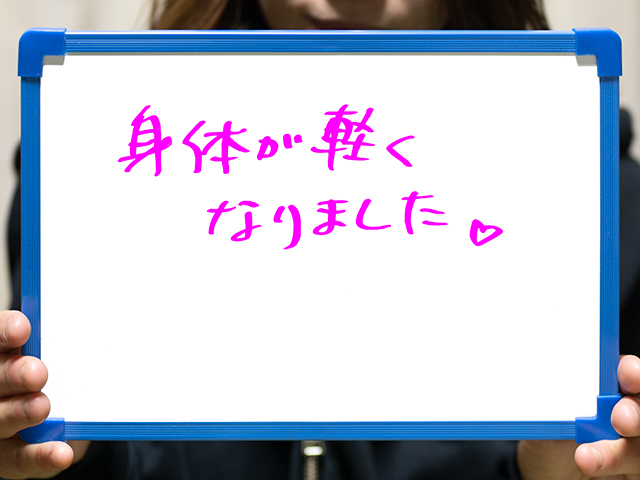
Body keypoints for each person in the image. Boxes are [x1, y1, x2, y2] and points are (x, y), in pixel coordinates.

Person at [3, 0, 640, 478]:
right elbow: (92, 441)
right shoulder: (83, 162)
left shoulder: (599, 198)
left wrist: (553, 472)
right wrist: (54, 456)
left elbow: (575, 453)